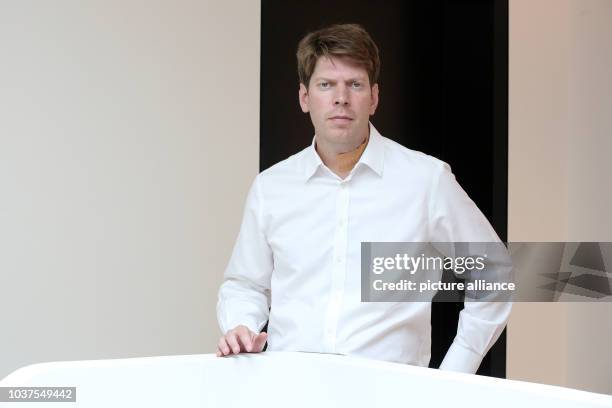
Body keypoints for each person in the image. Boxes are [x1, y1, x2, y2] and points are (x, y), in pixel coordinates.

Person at [216, 23, 511, 373]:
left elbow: (494, 273)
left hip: (391, 394)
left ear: (373, 98)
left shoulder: (426, 181)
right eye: (326, 85)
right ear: (304, 97)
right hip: (289, 388)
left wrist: (455, 373)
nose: (341, 97)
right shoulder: (271, 188)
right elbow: (245, 284)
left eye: (354, 85)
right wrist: (241, 327)